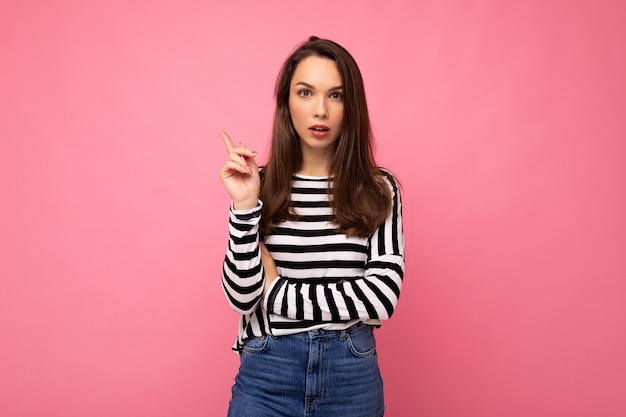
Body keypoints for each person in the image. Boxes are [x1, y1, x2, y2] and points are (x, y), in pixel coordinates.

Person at [218, 36, 405, 417]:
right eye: (306, 93)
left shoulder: (378, 188)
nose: (320, 109)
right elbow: (240, 297)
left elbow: (381, 299)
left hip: (350, 374)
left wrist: (276, 293)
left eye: (335, 95)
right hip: (267, 372)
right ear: (287, 102)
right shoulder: (261, 184)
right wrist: (243, 205)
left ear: (351, 106)